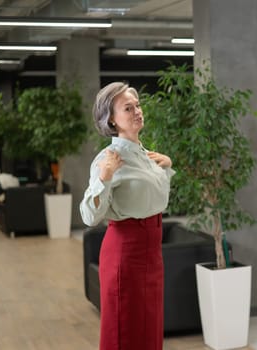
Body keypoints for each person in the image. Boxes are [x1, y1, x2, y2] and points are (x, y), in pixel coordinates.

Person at [80, 82, 175, 350]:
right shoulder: (108, 159)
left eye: (138, 105)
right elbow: (89, 216)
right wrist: (104, 178)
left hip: (151, 250)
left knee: (149, 327)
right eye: (128, 108)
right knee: (125, 331)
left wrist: (166, 167)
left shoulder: (146, 154)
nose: (137, 111)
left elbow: (153, 200)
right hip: (126, 251)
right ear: (111, 118)